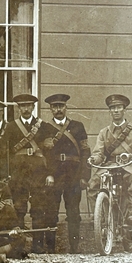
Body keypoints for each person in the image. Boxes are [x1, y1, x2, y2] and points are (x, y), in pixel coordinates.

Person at [87, 94, 132, 250]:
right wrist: (94, 159)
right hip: (110, 165)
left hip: (129, 164)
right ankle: (101, 216)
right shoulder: (104, 132)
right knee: (93, 184)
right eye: (112, 108)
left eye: (118, 107)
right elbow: (99, 153)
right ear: (110, 111)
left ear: (124, 110)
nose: (116, 110)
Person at [38, 94, 91, 254]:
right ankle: (51, 248)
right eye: (54, 107)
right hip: (53, 175)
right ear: (50, 109)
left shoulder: (78, 126)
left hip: (73, 175)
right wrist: (47, 174)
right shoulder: (45, 128)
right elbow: (41, 155)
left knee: (74, 212)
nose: (58, 109)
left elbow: (85, 152)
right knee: (51, 212)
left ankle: (74, 249)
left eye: (61, 106)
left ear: (66, 108)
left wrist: (84, 176)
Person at [0, 94, 48, 241]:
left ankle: (38, 245)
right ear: (19, 108)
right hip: (18, 171)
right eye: (22, 106)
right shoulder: (11, 126)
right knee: (19, 207)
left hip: (38, 171)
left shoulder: (43, 126)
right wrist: (6, 173)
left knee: (38, 207)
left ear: (33, 107)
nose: (26, 109)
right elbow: (4, 152)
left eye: (28, 106)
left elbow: (50, 150)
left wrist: (49, 172)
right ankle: (18, 244)